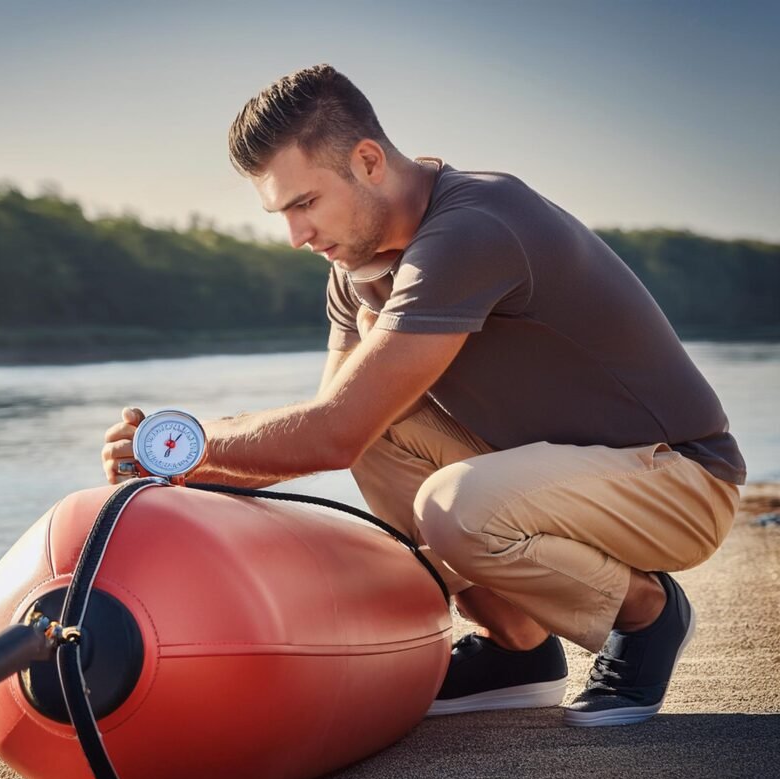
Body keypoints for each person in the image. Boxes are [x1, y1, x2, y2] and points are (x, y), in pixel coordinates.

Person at [101, 64, 745, 727]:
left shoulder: (474, 227)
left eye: (305, 204)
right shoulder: (355, 271)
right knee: (383, 435)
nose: (296, 237)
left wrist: (185, 444)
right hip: (556, 482)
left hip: (680, 481)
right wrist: (179, 462)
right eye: (281, 214)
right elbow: (348, 428)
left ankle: (646, 615)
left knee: (451, 503)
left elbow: (330, 431)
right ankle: (517, 646)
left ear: (369, 161)